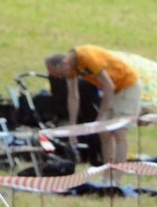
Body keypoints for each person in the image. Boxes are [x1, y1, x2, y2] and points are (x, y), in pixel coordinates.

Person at [45, 45, 142, 185]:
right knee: (104, 133)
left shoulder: (87, 56)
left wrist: (100, 115)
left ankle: (117, 179)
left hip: (127, 86)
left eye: (60, 75)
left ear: (64, 64)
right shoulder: (71, 68)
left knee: (119, 132)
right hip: (112, 90)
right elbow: (73, 97)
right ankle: (107, 176)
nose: (61, 78)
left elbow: (109, 86)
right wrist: (73, 128)